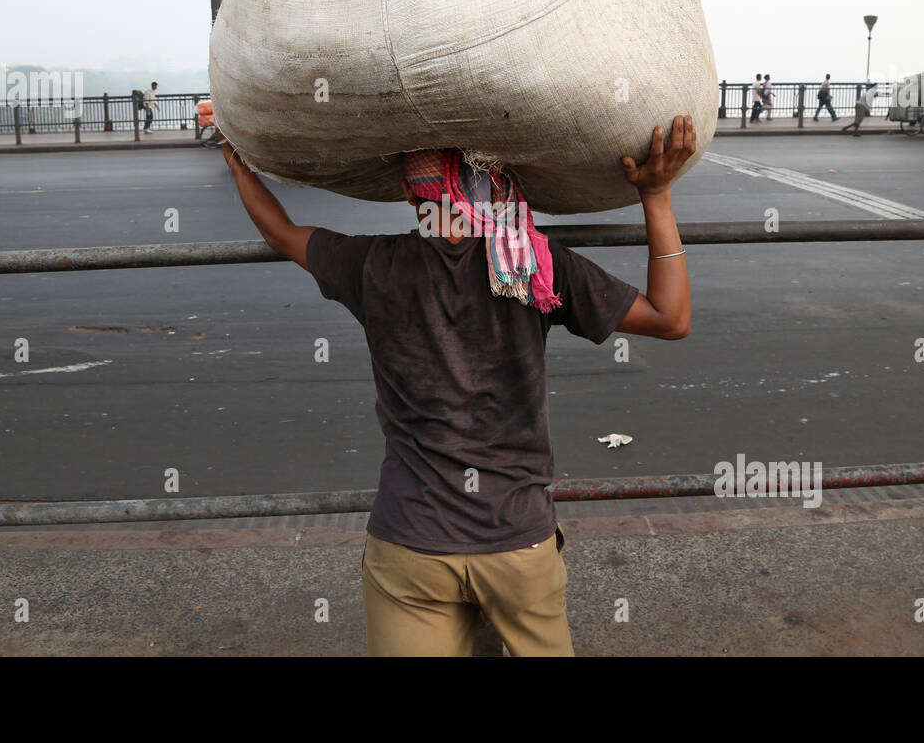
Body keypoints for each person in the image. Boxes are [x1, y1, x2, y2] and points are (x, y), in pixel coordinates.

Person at [221, 118, 697, 656]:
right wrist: (655, 196)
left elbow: (281, 234)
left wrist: (236, 161)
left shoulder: (371, 264)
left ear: (407, 192)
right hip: (518, 543)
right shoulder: (534, 263)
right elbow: (670, 317)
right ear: (496, 185)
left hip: (411, 542)